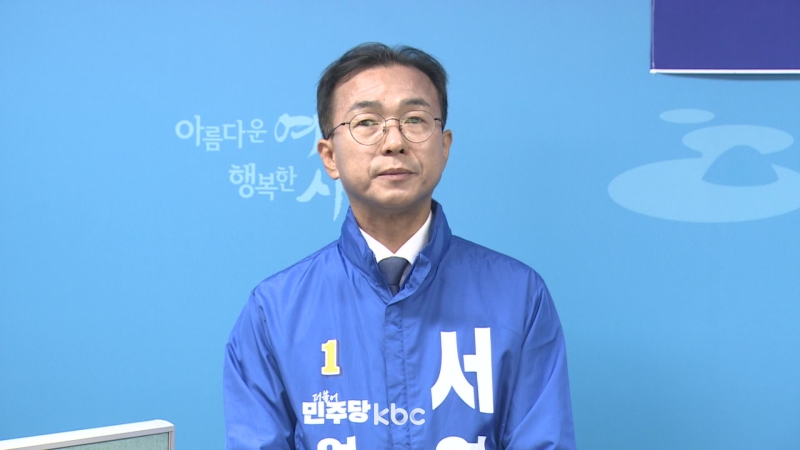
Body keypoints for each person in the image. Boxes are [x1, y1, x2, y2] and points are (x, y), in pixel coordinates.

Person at [223, 42, 577, 450]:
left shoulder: (519, 296)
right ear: (329, 156)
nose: (394, 141)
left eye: (414, 120)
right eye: (367, 122)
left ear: (444, 147)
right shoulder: (274, 310)